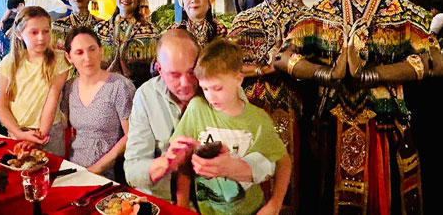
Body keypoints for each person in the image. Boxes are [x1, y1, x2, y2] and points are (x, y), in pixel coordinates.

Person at [274, 0, 442, 213]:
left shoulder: (404, 12)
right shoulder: (320, 14)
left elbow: (436, 59)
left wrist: (374, 75)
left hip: (385, 130)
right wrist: (327, 74)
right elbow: (281, 57)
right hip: (331, 133)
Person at [226, 0, 307, 210]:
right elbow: (229, 67)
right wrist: (262, 69)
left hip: (297, 105)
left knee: (293, 171)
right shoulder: (244, 20)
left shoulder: (310, 19)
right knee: (256, 173)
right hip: (256, 107)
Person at [171, 39, 291, 215]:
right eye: (205, 88)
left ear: (238, 79)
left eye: (217, 88)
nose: (210, 97)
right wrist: (182, 205)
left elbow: (284, 163)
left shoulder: (257, 119)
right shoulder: (197, 108)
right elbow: (183, 161)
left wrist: (274, 205)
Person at [123, 29, 200, 201]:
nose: (185, 83)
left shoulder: (222, 89)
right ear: (159, 69)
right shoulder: (146, 96)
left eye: (191, 71)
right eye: (175, 74)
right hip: (164, 202)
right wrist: (165, 163)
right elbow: (133, 171)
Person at [61, 26, 135, 180]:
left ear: (101, 50)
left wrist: (96, 168)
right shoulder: (69, 88)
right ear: (69, 57)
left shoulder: (120, 86)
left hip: (109, 173)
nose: (87, 58)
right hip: (74, 169)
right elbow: (62, 128)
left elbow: (131, 134)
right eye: (79, 52)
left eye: (92, 49)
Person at [0, 6, 70, 156]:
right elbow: (2, 106)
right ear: (19, 34)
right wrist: (20, 134)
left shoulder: (59, 60)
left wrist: (39, 136)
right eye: (34, 32)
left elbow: (52, 99)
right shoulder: (9, 62)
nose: (41, 37)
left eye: (45, 31)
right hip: (17, 131)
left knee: (50, 175)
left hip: (48, 133)